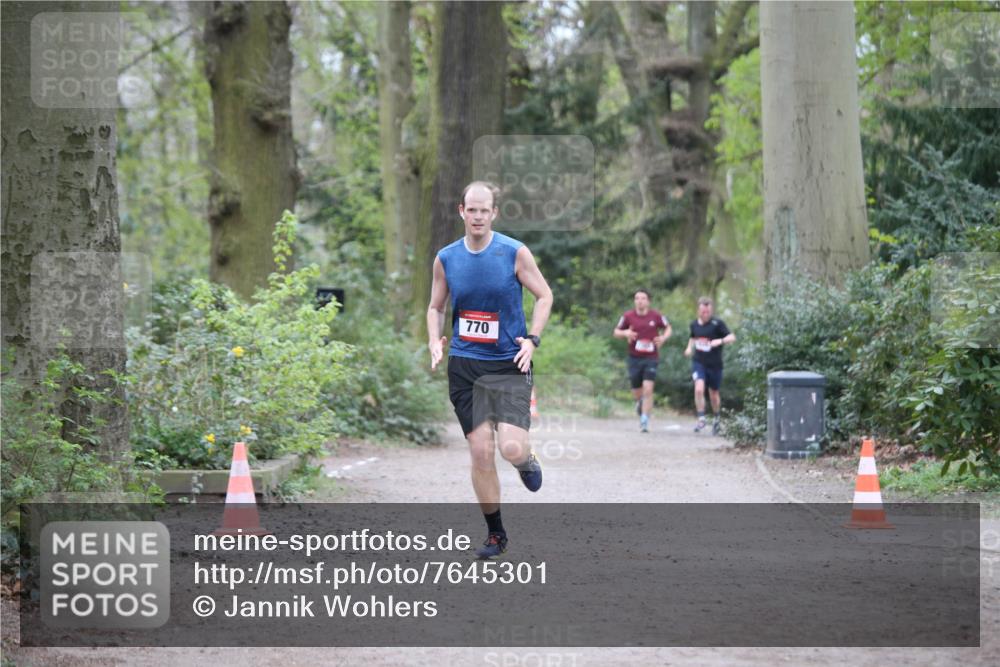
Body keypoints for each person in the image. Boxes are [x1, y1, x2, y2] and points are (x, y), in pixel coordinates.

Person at [427, 181, 553, 560]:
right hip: (466, 365)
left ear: (494, 213)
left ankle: (525, 461)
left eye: (485, 210)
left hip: (509, 362)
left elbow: (544, 295)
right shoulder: (446, 258)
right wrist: (435, 339)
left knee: (511, 447)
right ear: (461, 212)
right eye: (472, 210)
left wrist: (532, 339)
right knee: (481, 452)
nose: (478, 216)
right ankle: (496, 534)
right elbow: (435, 307)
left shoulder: (514, 253)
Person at [613, 290, 671, 432]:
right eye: (637, 298)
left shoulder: (656, 316)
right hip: (634, 358)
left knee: (648, 388)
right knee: (637, 391)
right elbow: (616, 332)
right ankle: (640, 403)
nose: (640, 301)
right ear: (634, 301)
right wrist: (625, 333)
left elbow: (668, 328)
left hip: (651, 357)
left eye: (643, 298)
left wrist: (663, 337)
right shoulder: (627, 316)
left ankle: (644, 420)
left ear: (648, 301)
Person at [683, 297, 735, 435]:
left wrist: (720, 341)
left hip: (715, 365)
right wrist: (689, 348)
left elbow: (732, 337)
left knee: (714, 394)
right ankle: (701, 418)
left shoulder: (717, 324)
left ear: (711, 310)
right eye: (703, 311)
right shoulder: (694, 324)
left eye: (708, 311)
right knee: (699, 389)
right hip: (699, 362)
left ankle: (717, 418)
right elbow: (693, 337)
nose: (705, 313)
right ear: (698, 310)